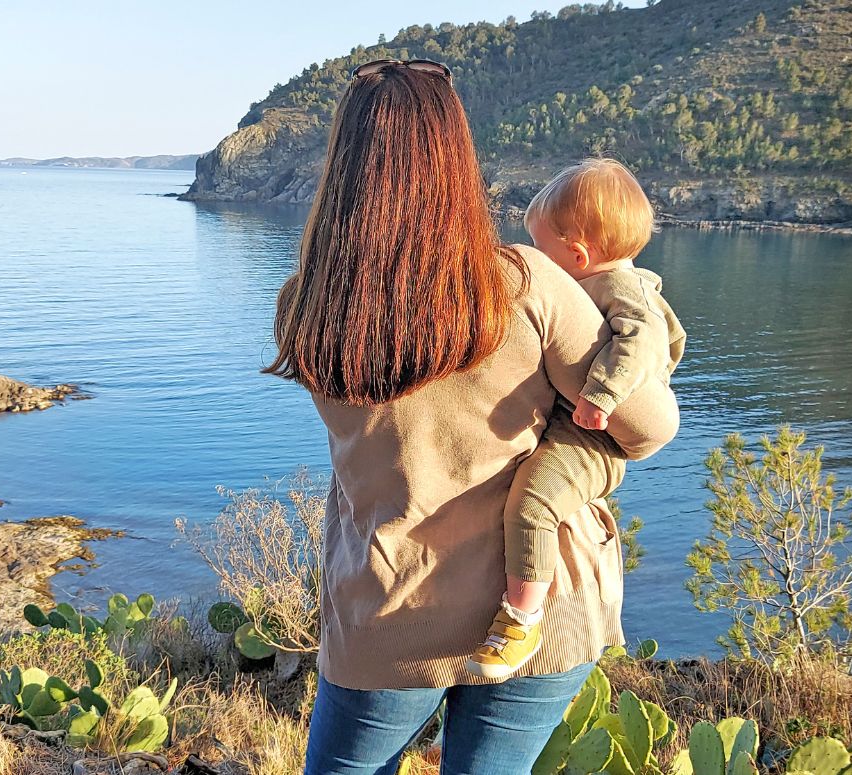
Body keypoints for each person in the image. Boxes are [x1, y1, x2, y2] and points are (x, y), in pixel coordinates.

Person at [261, 58, 679, 775]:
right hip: (541, 604)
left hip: (390, 604)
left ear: (341, 166)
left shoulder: (306, 303)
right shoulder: (527, 282)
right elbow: (649, 427)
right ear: (457, 160)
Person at [466, 158, 687, 679]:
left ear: (579, 252)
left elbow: (641, 343)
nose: (540, 260)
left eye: (543, 249)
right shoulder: (594, 282)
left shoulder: (621, 290)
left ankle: (522, 619)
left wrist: (603, 395)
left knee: (534, 504)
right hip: (578, 421)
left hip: (594, 435)